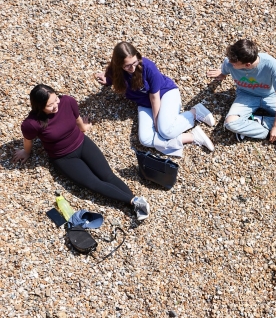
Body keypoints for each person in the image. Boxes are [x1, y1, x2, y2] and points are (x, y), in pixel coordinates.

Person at [12, 84, 150, 221]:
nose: (56, 105)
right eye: (50, 105)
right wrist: (26, 152)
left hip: (83, 143)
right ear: (39, 107)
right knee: (94, 183)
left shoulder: (67, 101)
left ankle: (135, 202)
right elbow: (28, 140)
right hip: (64, 157)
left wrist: (83, 127)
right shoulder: (31, 124)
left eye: (56, 100)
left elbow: (77, 119)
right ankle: (136, 202)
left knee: (108, 175)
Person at [95, 42, 215, 157]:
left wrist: (157, 122)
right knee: (145, 139)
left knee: (164, 131)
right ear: (119, 64)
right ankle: (192, 137)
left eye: (135, 62)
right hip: (144, 103)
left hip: (165, 94)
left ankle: (195, 113)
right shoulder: (114, 71)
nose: (132, 68)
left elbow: (154, 97)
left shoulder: (148, 66)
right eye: (127, 65)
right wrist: (108, 80)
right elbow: (113, 77)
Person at [207, 39, 276, 151]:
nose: (229, 62)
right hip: (246, 96)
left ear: (247, 65)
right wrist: (223, 73)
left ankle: (254, 123)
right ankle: (274, 135)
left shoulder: (270, 64)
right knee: (230, 123)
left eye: (233, 63)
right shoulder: (229, 62)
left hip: (270, 96)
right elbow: (225, 67)